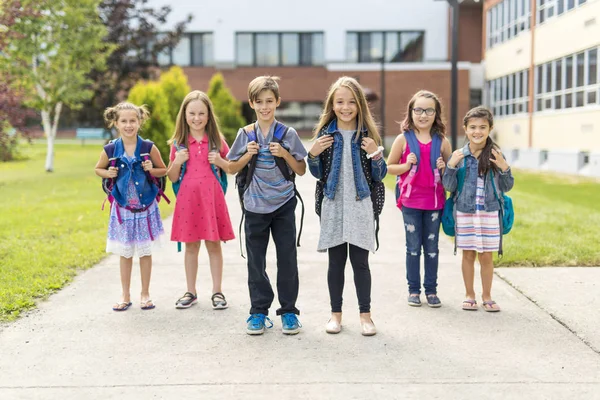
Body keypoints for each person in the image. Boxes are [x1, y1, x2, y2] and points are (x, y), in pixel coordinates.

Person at [227, 76, 307, 335]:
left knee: (287, 259)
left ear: (278, 102)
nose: (264, 107)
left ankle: (289, 312)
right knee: (255, 262)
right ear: (251, 103)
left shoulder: (288, 134)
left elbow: (301, 169)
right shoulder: (245, 134)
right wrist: (247, 154)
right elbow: (231, 168)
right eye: (259, 102)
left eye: (269, 101)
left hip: (283, 205)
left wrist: (284, 153)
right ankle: (258, 311)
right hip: (254, 207)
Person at [308, 76, 387, 336]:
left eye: (352, 102)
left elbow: (379, 175)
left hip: (360, 204)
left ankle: (366, 316)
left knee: (361, 263)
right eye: (340, 102)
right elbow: (317, 174)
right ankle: (335, 315)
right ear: (331, 104)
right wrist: (313, 154)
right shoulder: (325, 134)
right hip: (334, 203)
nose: (345, 107)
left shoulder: (367, 135)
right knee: (336, 262)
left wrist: (376, 153)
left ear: (360, 105)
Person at [94, 102, 167, 311]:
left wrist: (152, 168)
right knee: (125, 253)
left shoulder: (148, 147)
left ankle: (145, 293)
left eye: (132, 121)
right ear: (116, 123)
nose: (128, 125)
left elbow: (164, 170)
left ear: (139, 122)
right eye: (124, 121)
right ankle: (125, 294)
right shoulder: (110, 149)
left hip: (145, 208)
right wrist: (107, 173)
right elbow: (98, 169)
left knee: (144, 252)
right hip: (123, 209)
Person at [167, 91, 235, 310]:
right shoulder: (178, 144)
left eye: (201, 113)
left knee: (214, 246)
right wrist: (177, 161)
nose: (196, 118)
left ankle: (217, 291)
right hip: (188, 201)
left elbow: (232, 167)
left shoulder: (217, 141)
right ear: (184, 115)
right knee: (190, 247)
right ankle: (191, 291)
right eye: (192, 113)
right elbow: (172, 176)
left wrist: (220, 161)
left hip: (211, 200)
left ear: (209, 116)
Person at [442, 106, 514, 312]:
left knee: (487, 256)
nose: (477, 131)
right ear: (465, 129)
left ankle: (487, 296)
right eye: (472, 127)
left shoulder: (496, 155)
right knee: (468, 255)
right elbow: (449, 187)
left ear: (490, 128)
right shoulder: (459, 156)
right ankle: (469, 294)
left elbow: (507, 186)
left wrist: (503, 167)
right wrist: (451, 165)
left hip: (490, 213)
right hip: (465, 212)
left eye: (483, 127)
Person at [386, 90, 452, 308]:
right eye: (418, 110)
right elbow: (389, 167)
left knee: (432, 248)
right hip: (411, 203)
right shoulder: (402, 140)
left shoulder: (442, 142)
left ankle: (431, 291)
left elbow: (451, 176)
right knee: (413, 247)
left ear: (436, 113)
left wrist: (444, 169)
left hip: (434, 204)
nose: (423, 115)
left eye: (429, 110)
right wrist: (405, 166)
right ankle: (413, 290)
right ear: (411, 112)